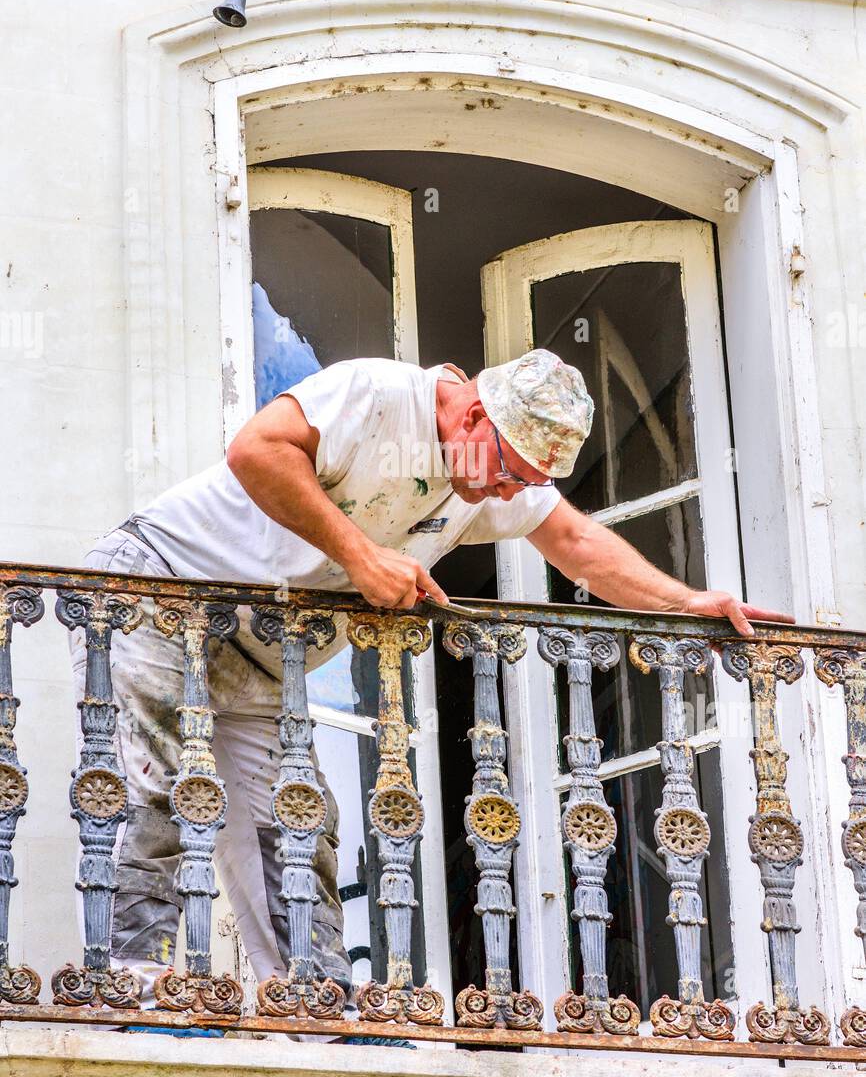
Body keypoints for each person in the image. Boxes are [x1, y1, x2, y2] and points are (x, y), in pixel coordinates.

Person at [69, 348, 793, 1034]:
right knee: (157, 784)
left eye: (527, 482)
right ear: (477, 417)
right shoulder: (377, 396)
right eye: (512, 471)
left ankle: (311, 1007)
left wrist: (681, 602)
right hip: (160, 590)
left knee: (298, 824)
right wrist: (361, 554)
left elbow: (576, 542)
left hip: (264, 656)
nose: (512, 494)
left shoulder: (491, 475)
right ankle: (132, 982)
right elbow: (256, 449)